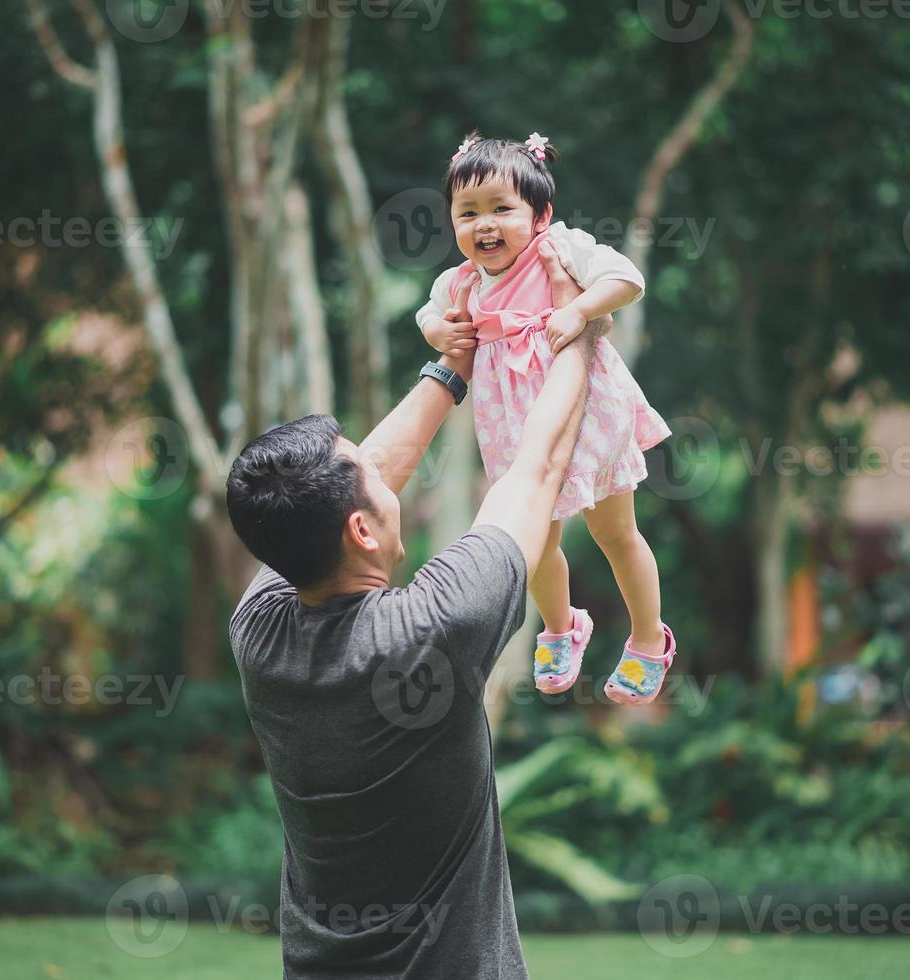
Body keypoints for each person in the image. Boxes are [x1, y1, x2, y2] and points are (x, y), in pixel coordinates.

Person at [225, 247, 605, 978]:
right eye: (367, 471)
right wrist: (574, 327)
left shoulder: (259, 628)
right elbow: (537, 469)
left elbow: (339, 498)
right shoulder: (431, 626)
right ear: (363, 531)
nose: (382, 468)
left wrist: (451, 369)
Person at [416, 131, 677, 705]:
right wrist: (440, 330)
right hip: (515, 429)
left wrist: (580, 308)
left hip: (589, 415)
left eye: (501, 209)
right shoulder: (459, 282)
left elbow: (627, 279)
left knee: (616, 532)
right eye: (468, 213)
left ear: (540, 215)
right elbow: (428, 314)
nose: (484, 225)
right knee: (534, 541)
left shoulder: (558, 249)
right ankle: (562, 627)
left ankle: (648, 639)